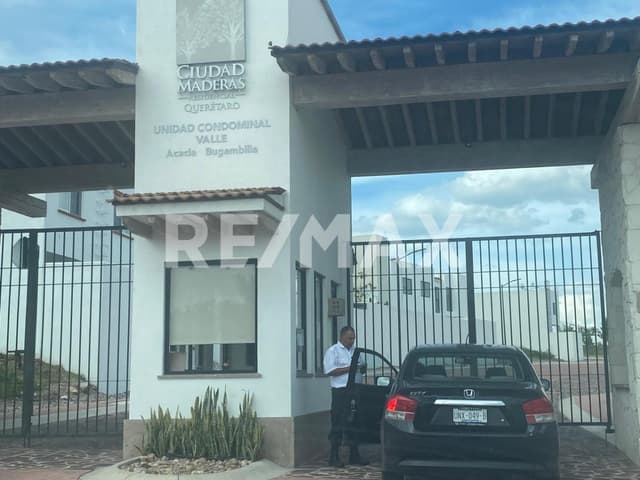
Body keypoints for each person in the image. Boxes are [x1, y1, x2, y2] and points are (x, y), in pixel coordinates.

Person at [323, 325, 368, 468]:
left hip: (355, 389)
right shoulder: (333, 351)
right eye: (349, 338)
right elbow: (329, 370)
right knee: (338, 422)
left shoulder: (355, 351)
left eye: (353, 338)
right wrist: (350, 368)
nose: (352, 341)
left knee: (355, 422)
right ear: (342, 337)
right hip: (340, 391)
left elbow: (362, 366)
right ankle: (334, 456)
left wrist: (362, 368)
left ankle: (354, 455)